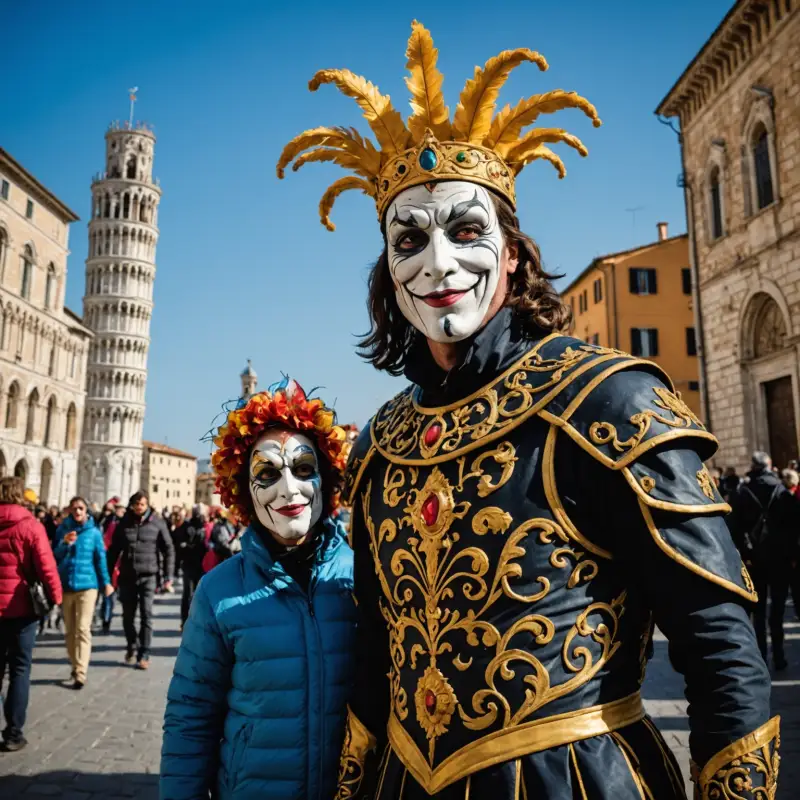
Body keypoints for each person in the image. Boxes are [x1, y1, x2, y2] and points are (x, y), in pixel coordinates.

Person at [278, 21, 779, 798]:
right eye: (409, 241)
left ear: (512, 251)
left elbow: (720, 644)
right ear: (389, 267)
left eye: (467, 230)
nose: (439, 263)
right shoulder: (382, 440)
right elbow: (377, 660)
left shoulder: (609, 402)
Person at [160, 380, 357, 799]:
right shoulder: (218, 591)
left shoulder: (365, 578)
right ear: (243, 493)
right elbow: (191, 714)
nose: (289, 488)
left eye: (304, 469)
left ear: (327, 476)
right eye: (267, 474)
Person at [0, 476, 62, 751]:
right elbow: (46, 566)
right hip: (21, 608)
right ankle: (13, 733)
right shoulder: (30, 526)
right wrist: (56, 596)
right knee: (20, 669)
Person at [728, 451, 800, 670]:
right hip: (781, 559)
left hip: (754, 561)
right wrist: (793, 556)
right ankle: (779, 656)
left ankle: (760, 655)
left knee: (758, 612)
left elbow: (734, 530)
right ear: (769, 466)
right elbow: (795, 527)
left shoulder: (743, 492)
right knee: (777, 610)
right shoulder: (782, 492)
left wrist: (742, 555)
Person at [106, 491, 174, 670]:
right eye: (136, 504)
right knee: (127, 616)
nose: (139, 507)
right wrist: (106, 576)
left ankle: (144, 653)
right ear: (131, 505)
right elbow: (114, 550)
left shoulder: (157, 523)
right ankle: (131, 645)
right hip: (127, 576)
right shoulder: (123, 524)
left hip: (149, 575)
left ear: (147, 505)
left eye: (142, 504)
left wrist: (168, 575)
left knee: (146, 615)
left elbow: (168, 549)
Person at [53, 497, 113, 689]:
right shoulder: (63, 530)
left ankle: (81, 672)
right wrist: (64, 544)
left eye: (81, 508)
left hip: (88, 586)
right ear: (70, 510)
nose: (78, 512)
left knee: (82, 629)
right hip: (67, 585)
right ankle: (74, 664)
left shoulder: (94, 533)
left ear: (86, 510)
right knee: (70, 631)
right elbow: (53, 555)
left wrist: (106, 583)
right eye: (74, 508)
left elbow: (100, 559)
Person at [173, 504, 207, 628]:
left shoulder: (204, 526)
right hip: (189, 564)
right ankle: (186, 620)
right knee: (188, 593)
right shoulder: (186, 526)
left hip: (202, 565)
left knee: (198, 594)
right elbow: (178, 545)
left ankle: (195, 620)